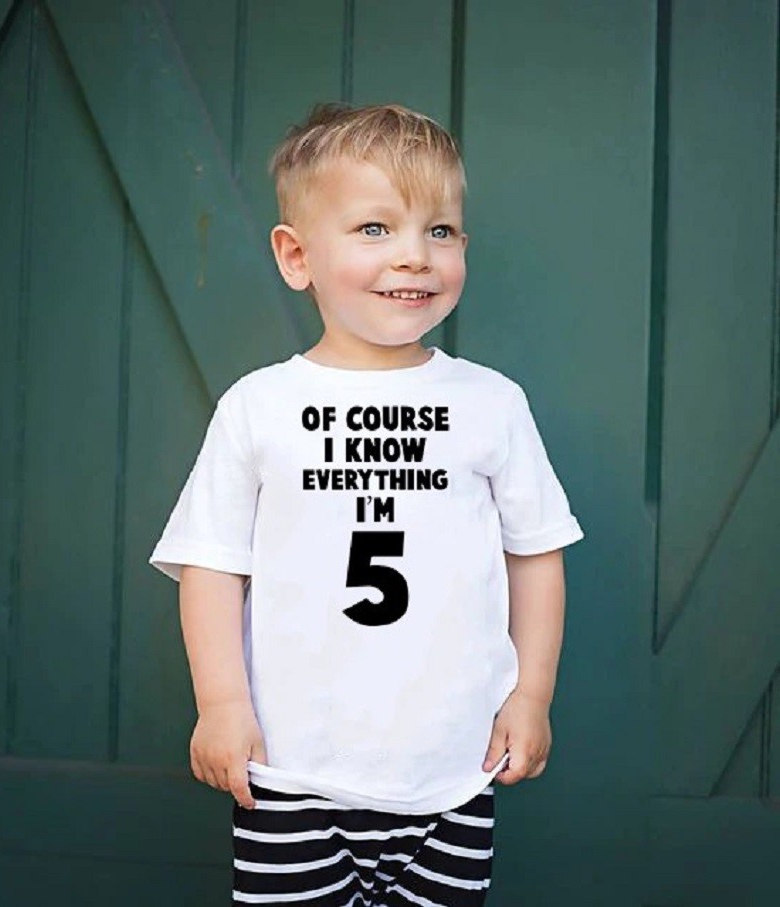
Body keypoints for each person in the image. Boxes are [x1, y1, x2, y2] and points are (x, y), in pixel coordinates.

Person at [149, 102, 584, 906]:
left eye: (439, 230)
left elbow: (536, 554)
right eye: (375, 228)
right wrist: (221, 704)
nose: (414, 255)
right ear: (297, 255)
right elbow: (210, 564)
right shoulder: (259, 406)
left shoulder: (491, 404)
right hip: (290, 772)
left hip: (452, 771)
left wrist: (531, 695)